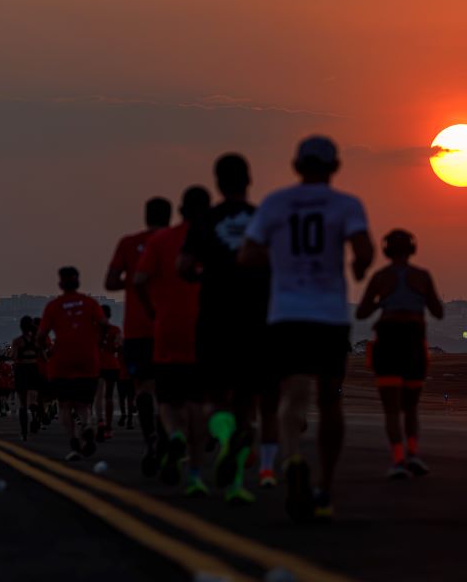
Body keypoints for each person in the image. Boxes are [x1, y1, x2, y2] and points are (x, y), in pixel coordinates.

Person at [240, 135, 373, 521]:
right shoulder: (346, 205)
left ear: (297, 166)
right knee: (330, 401)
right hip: (329, 316)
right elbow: (364, 251)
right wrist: (359, 267)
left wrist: (279, 257)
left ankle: (292, 459)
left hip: (287, 316)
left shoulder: (275, 204)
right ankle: (325, 487)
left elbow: (247, 255)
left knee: (292, 394)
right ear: (335, 168)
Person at [180, 155, 270, 503]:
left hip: (215, 317)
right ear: (248, 179)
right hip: (254, 319)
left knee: (214, 398)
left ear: (218, 183)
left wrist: (205, 275)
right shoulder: (264, 219)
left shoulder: (205, 221)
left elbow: (184, 266)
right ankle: (236, 482)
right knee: (247, 400)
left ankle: (224, 442)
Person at [136, 186, 212, 497]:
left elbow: (139, 281)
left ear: (180, 210)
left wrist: (153, 307)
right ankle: (194, 473)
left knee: (167, 401)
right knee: (198, 403)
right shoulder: (216, 239)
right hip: (204, 330)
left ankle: (175, 434)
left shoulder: (160, 241)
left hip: (168, 329)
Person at [356, 229, 444, 479]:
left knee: (392, 408)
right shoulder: (422, 276)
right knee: (411, 406)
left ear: (386, 250)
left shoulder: (381, 277)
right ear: (412, 249)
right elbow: (438, 312)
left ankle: (397, 459)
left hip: (388, 342)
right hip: (414, 342)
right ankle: (413, 454)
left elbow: (361, 312)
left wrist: (382, 302)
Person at [106, 197, 172, 474]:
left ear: (146, 216)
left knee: (143, 387)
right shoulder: (176, 241)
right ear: (170, 217)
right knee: (168, 391)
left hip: (137, 328)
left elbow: (110, 282)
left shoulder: (129, 243)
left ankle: (150, 440)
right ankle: (167, 437)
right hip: (168, 327)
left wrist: (133, 281)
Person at [37, 267, 107, 461]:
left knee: (65, 405)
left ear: (61, 284)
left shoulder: (54, 306)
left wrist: (45, 350)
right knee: (84, 404)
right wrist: (96, 342)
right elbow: (103, 323)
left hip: (62, 360)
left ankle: (74, 441)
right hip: (88, 358)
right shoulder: (89, 303)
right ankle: (87, 427)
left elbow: (41, 336)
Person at [11, 316, 43, 440]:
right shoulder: (36, 340)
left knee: (22, 402)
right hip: (34, 369)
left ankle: (24, 431)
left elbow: (14, 356)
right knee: (34, 397)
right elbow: (43, 356)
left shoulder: (17, 341)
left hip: (22, 370)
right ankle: (35, 415)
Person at [94, 306, 123, 443]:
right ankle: (109, 426)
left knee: (99, 394)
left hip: (98, 364)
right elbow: (118, 345)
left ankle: (100, 420)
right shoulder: (115, 330)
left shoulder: (94, 330)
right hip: (112, 364)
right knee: (109, 397)